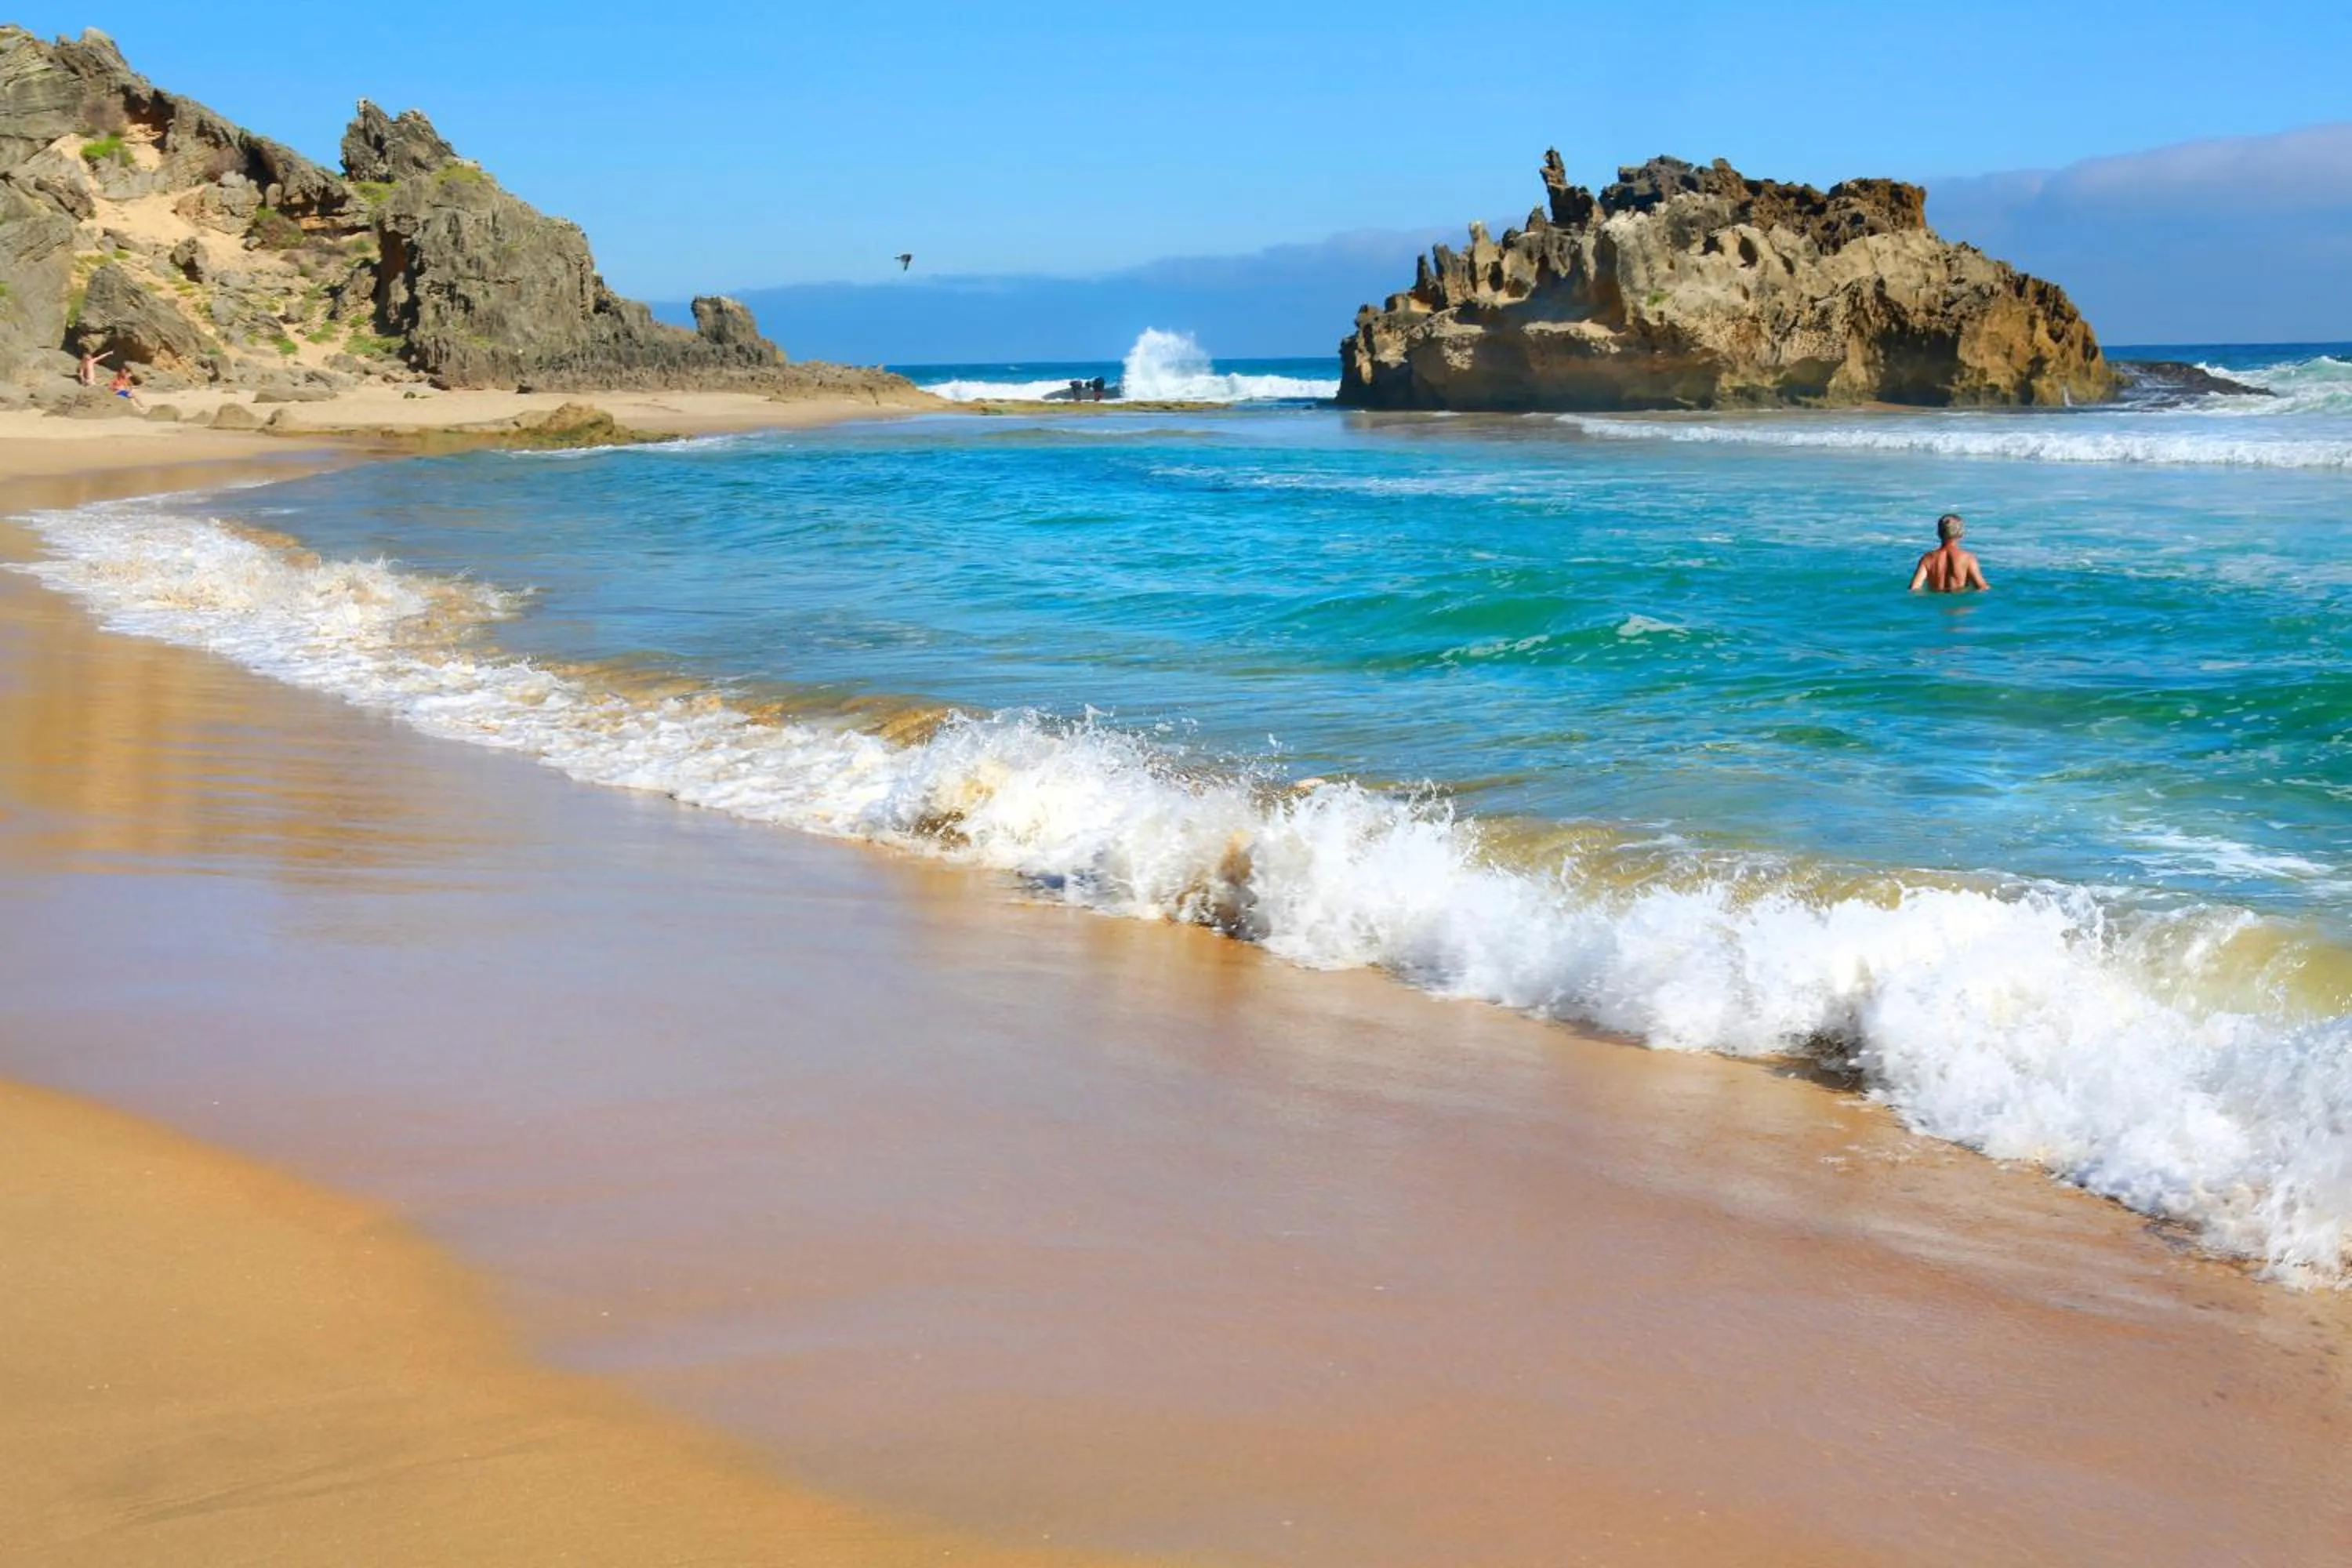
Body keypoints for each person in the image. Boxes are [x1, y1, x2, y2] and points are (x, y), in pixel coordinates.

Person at [1909, 513, 1988, 593]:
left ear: (1939, 533)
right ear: (1961, 534)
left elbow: (1914, 588)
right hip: (1960, 603)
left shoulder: (1927, 559)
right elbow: (1982, 587)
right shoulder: (1968, 558)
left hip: (1936, 603)